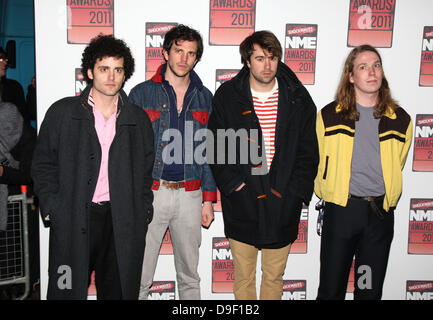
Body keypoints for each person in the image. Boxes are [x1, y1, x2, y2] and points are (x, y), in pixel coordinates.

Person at [31, 35, 155, 300]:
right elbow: (42, 165)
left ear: (125, 75)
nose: (111, 76)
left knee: (118, 292)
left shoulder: (138, 119)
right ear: (90, 72)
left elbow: (146, 170)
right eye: (104, 68)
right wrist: (54, 208)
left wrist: (143, 208)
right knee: (66, 290)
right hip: (75, 219)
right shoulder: (62, 113)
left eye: (118, 69)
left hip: (122, 221)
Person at [207, 30, 319, 300]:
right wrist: (237, 187)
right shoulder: (227, 96)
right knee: (243, 280)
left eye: (272, 57)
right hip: (242, 203)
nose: (267, 65)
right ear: (247, 61)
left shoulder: (298, 98)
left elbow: (309, 153)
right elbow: (215, 148)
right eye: (259, 58)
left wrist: (293, 194)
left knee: (273, 278)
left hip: (283, 204)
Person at [314, 45, 413, 300]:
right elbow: (319, 160)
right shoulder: (328, 116)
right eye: (363, 67)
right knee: (331, 290)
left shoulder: (400, 120)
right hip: (342, 213)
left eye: (376, 65)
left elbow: (397, 162)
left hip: (378, 218)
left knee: (368, 290)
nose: (372, 72)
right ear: (351, 76)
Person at [129, 24, 217, 300]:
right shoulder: (141, 94)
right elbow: (128, 151)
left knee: (190, 276)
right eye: (178, 51)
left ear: (196, 58)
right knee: (140, 276)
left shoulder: (205, 97)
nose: (184, 58)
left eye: (191, 53)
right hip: (151, 193)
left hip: (191, 196)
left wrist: (208, 199)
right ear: (165, 52)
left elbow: (209, 153)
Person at [0, 83, 38, 300]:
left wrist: (3, 171)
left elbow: (30, 170)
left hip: (15, 206)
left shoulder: (17, 126)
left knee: (15, 261)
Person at [0, 47, 27, 124]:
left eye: (5, 59)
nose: (5, 63)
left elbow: (23, 116)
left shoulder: (14, 87)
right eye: (1, 59)